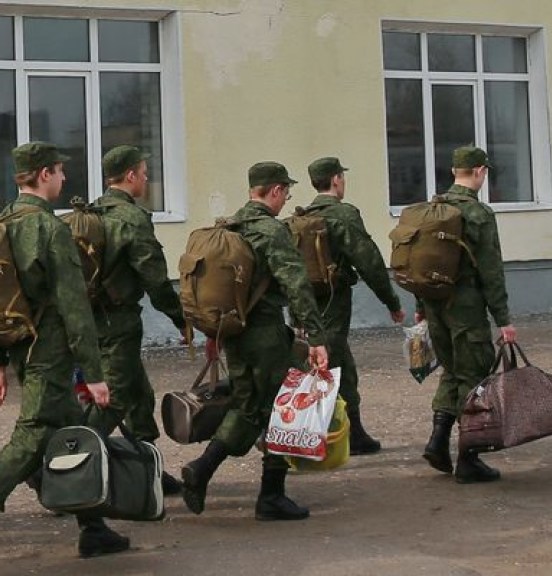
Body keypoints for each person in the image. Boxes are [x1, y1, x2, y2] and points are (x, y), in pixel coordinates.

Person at [0, 141, 129, 557]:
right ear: (43, 175)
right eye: (58, 170)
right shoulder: (49, 228)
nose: (64, 177)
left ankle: (93, 527)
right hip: (50, 351)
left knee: (75, 431)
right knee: (33, 436)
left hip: (21, 345)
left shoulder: (5, 221)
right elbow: (75, 307)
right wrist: (94, 374)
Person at [181, 161, 329, 520]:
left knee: (248, 406)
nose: (286, 199)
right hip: (264, 334)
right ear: (275, 191)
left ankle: (202, 470)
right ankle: (270, 495)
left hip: (234, 334)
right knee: (284, 407)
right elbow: (296, 283)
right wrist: (316, 337)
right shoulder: (270, 231)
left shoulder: (231, 226)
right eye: (286, 192)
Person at [83, 145, 187, 493]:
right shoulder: (131, 218)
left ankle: (150, 470)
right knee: (114, 400)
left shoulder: (95, 211)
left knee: (139, 396)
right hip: (119, 323)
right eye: (143, 173)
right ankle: (63, 467)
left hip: (95, 320)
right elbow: (155, 278)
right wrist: (181, 318)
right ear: (130, 176)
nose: (146, 178)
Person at [416, 146, 517, 484]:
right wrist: (503, 319)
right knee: (474, 378)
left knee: (453, 371)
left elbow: (422, 263)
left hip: (435, 306)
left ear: (452, 172)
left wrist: (421, 308)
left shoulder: (434, 208)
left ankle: (438, 440)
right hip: (466, 309)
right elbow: (491, 271)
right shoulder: (478, 214)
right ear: (479, 172)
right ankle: (468, 459)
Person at [304, 156, 405, 454]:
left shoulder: (301, 218)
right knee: (330, 364)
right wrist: (391, 301)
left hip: (307, 303)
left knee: (330, 360)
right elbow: (369, 260)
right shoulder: (343, 215)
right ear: (336, 180)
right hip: (335, 301)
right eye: (342, 178)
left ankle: (351, 432)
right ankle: (314, 436)